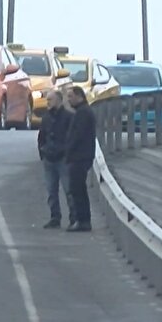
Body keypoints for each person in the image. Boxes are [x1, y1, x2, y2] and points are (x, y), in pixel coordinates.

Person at [36, 89, 73, 229]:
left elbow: (72, 137)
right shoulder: (46, 117)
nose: (48, 102)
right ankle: (55, 217)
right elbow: (42, 136)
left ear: (58, 100)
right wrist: (43, 152)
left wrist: (66, 152)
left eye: (50, 100)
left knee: (68, 190)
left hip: (63, 158)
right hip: (49, 158)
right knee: (51, 190)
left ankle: (73, 217)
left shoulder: (68, 117)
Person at [63, 86, 96, 232]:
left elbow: (78, 135)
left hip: (80, 156)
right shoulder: (82, 111)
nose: (68, 100)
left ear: (79, 96)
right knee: (78, 188)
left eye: (70, 96)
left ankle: (83, 220)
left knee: (77, 189)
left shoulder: (83, 113)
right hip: (81, 156)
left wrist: (69, 150)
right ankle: (82, 220)